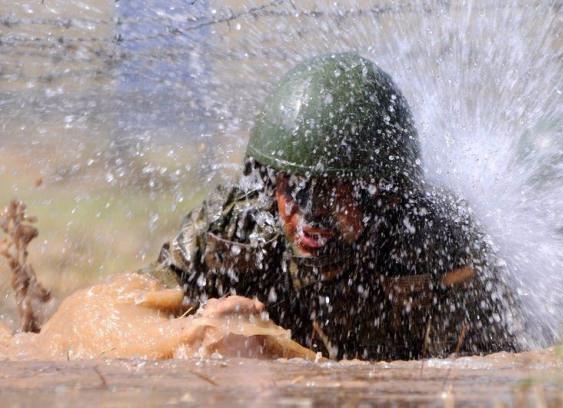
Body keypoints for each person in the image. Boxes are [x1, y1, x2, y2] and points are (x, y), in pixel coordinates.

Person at [150, 53, 519, 360]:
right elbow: (123, 309)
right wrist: (191, 335)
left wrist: (277, 352)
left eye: (333, 193)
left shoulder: (437, 248)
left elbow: (474, 379)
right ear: (271, 181)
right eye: (296, 188)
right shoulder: (234, 227)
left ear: (383, 195)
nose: (310, 214)